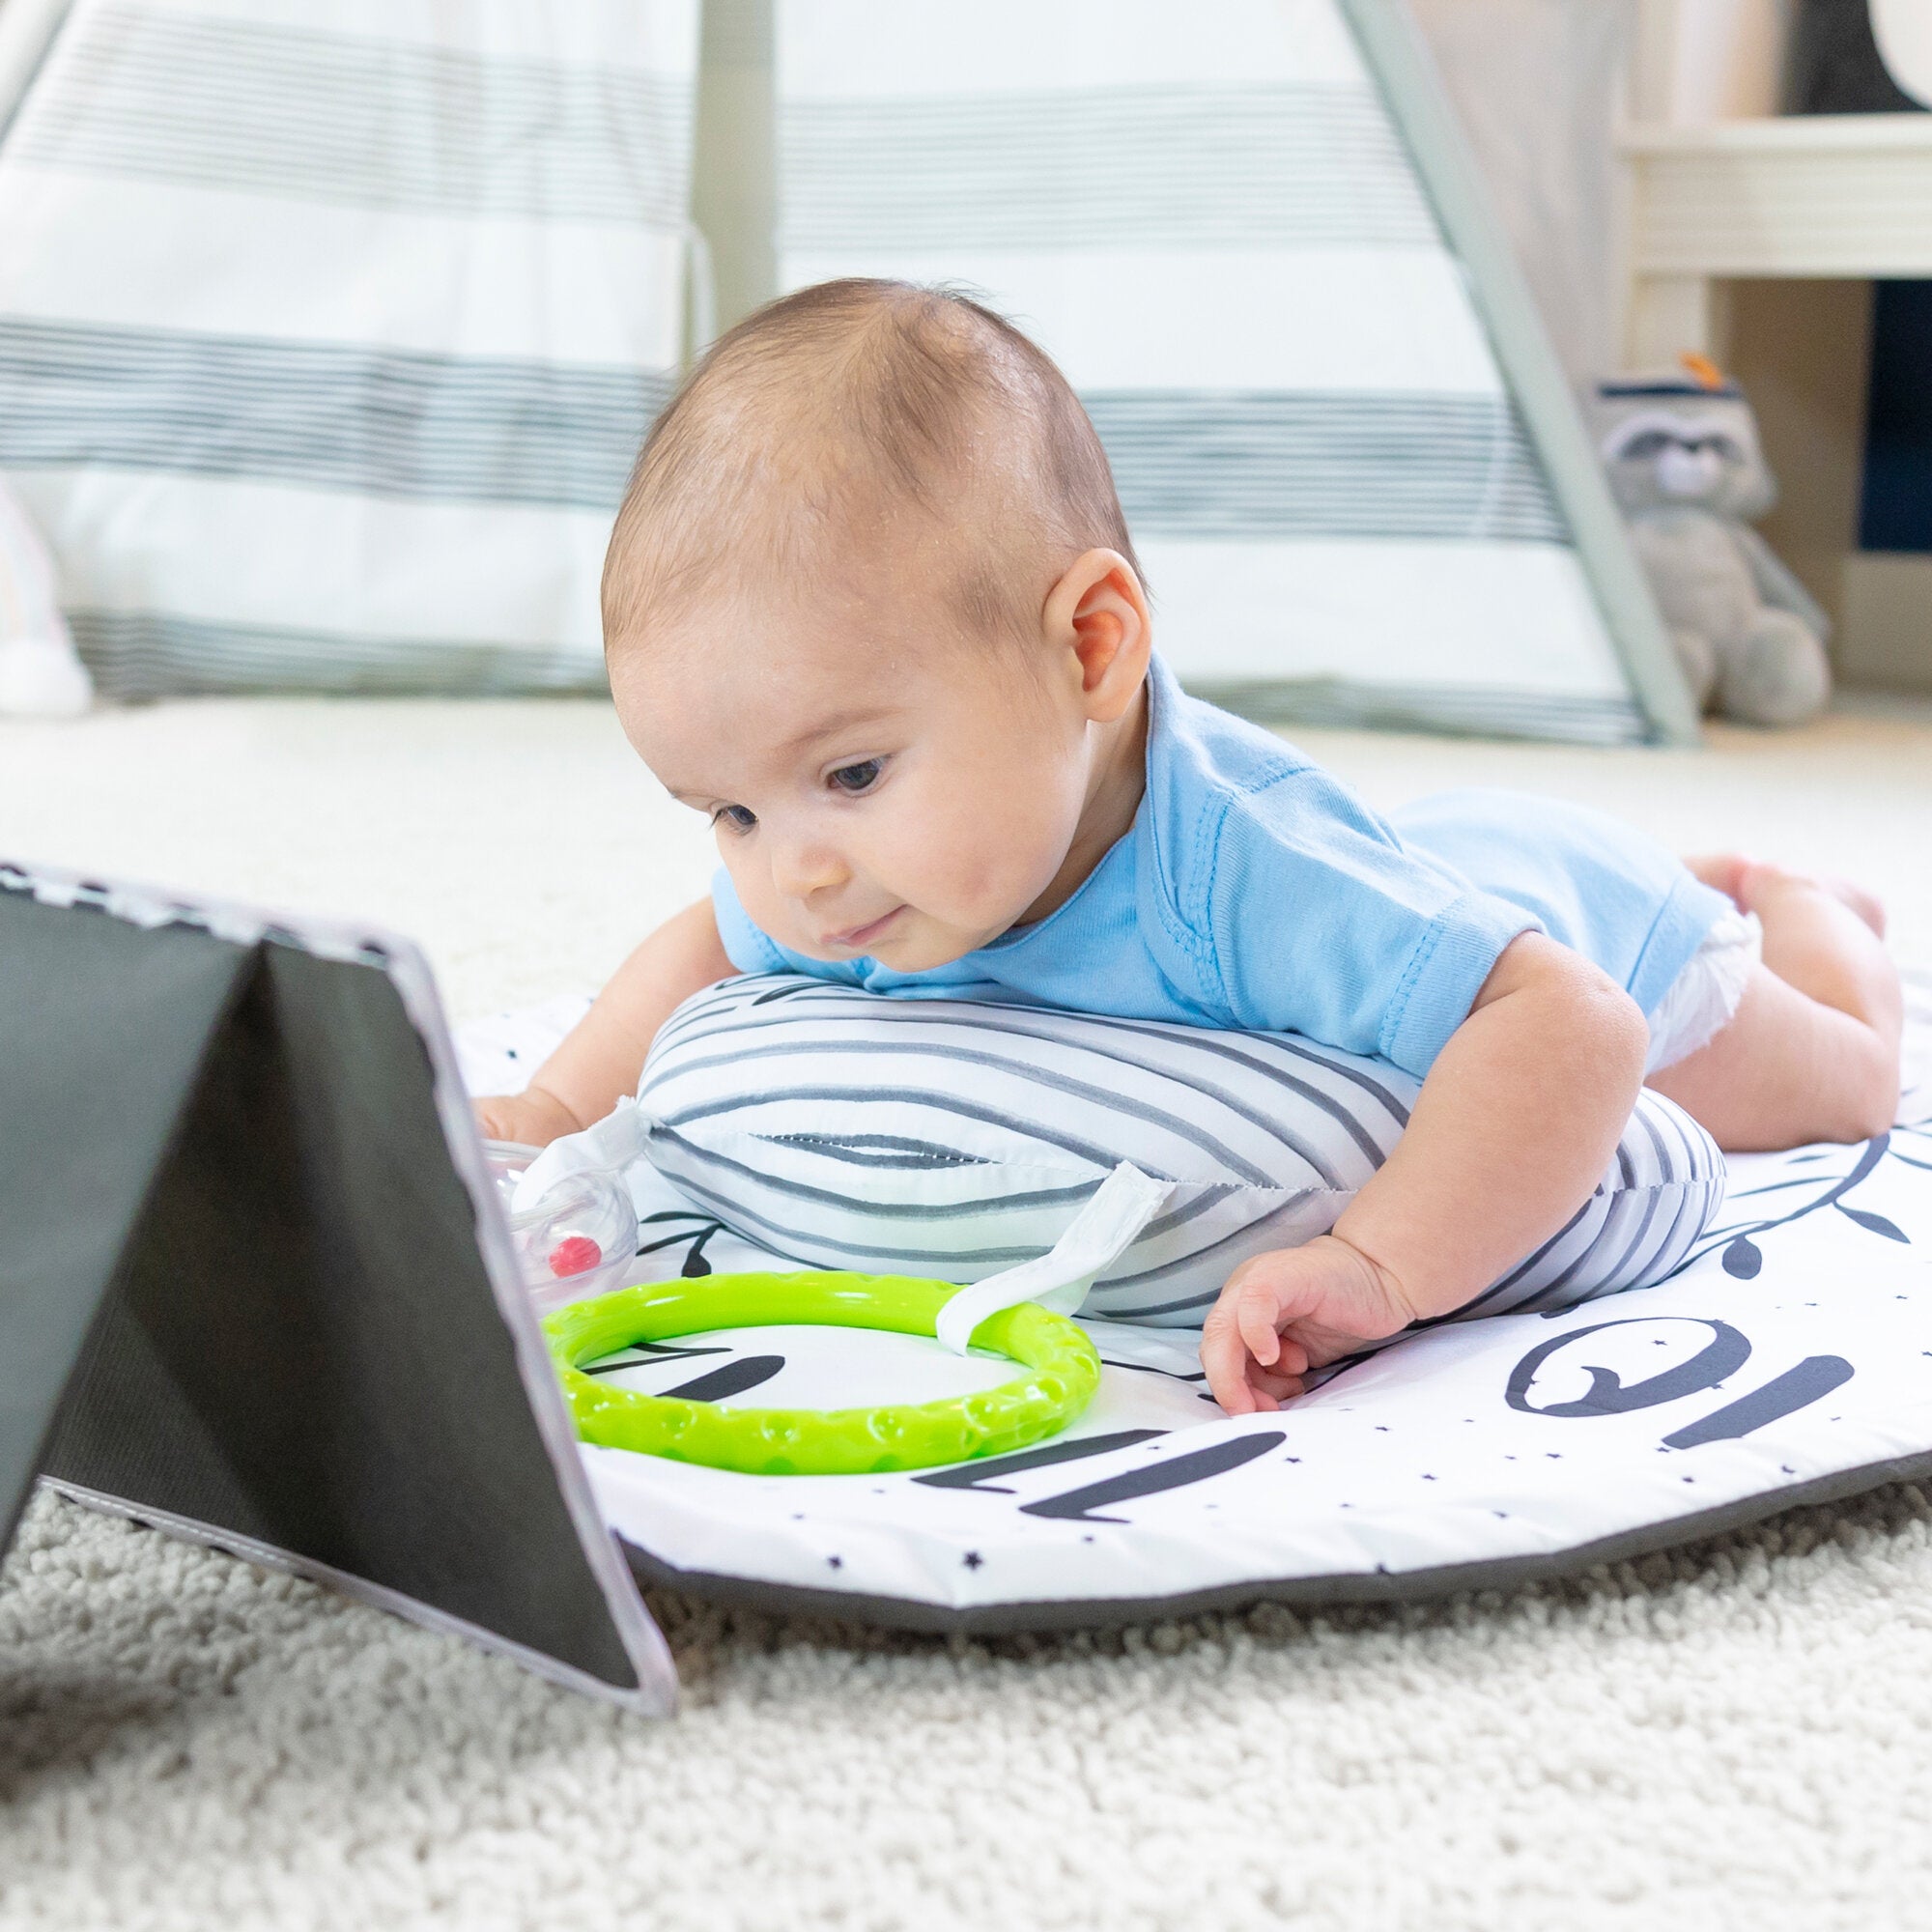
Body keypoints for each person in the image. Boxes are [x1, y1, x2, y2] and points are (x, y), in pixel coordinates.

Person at [477, 280, 1902, 1414]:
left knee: (1847, 1079)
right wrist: (545, 1116)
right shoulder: (844, 864)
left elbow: (1574, 1026)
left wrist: (1375, 1266)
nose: (791, 873)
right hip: (1415, 866)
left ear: (1091, 649)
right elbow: (696, 952)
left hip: (1599, 923)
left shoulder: (1244, 868)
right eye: (728, 810)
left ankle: (1797, 899)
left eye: (851, 772)